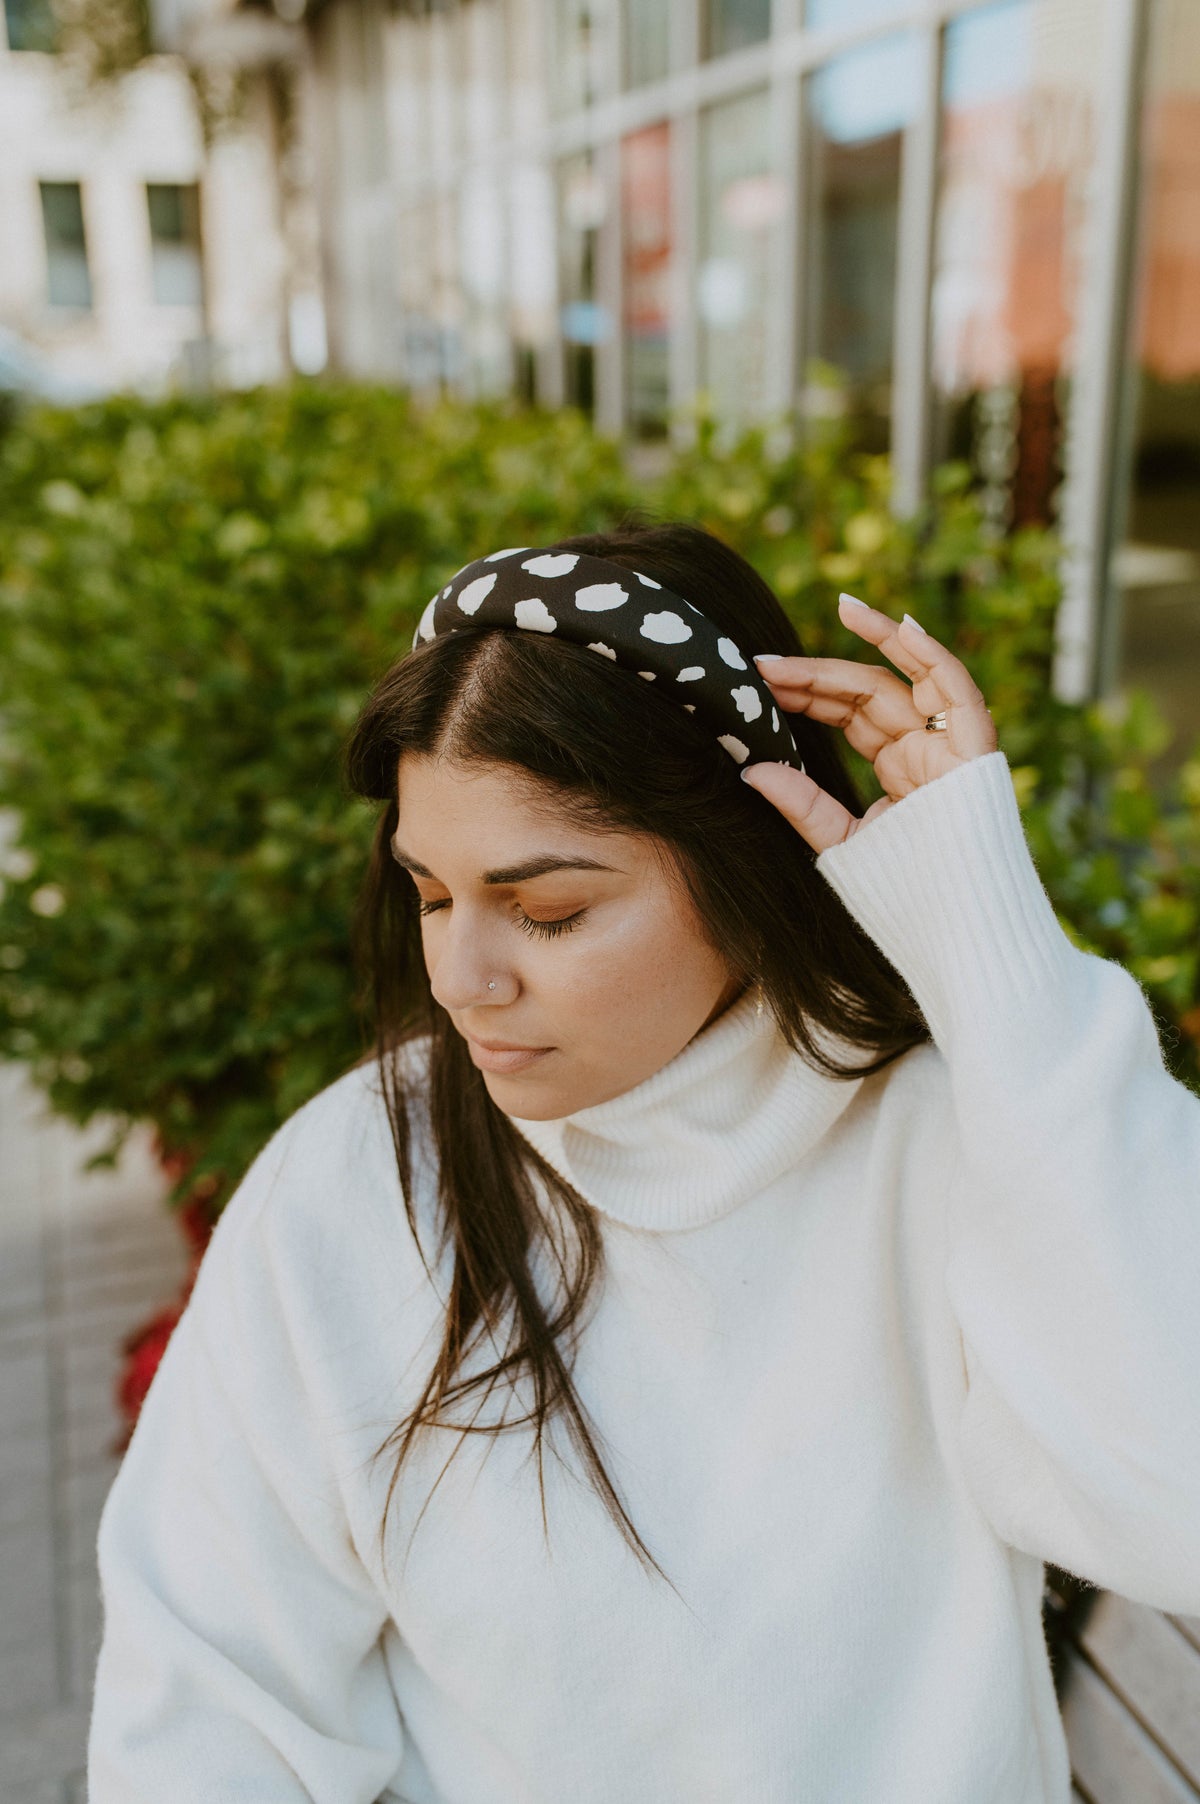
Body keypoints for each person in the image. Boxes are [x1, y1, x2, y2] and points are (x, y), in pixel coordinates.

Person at [87, 521, 1200, 1803]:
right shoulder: (356, 1183)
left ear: (740, 864)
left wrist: (986, 938)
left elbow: (1175, 1487)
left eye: (550, 911)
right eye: (432, 894)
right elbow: (206, 1702)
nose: (462, 980)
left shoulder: (944, 1140)